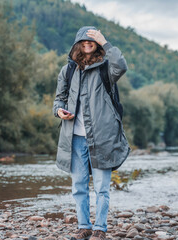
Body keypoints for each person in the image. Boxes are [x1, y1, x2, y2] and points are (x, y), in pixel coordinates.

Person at [53, 26, 130, 240]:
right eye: (84, 40)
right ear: (77, 44)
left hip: (103, 138)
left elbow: (121, 66)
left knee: (101, 188)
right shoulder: (67, 71)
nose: (88, 43)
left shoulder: (107, 68)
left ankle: (100, 229)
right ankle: (84, 226)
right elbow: (59, 98)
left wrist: (105, 42)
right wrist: (58, 111)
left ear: (97, 44)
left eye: (92, 40)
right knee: (78, 186)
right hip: (75, 139)